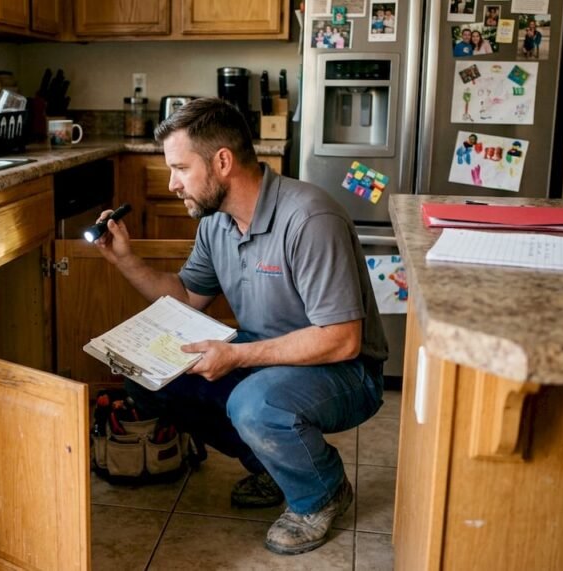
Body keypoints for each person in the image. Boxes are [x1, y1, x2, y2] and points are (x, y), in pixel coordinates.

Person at [92, 98, 388, 555]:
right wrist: (126, 261)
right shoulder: (217, 224)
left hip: (348, 371)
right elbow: (189, 298)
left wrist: (237, 355)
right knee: (153, 378)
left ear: (222, 162)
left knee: (254, 402)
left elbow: (342, 339)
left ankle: (323, 492)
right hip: (269, 354)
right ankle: (275, 468)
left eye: (180, 168)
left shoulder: (309, 218)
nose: (172, 184)